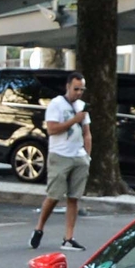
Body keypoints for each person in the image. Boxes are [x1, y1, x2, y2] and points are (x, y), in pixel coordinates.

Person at [28, 70, 90, 253]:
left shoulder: (82, 106)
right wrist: (73, 120)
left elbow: (87, 132)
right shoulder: (56, 104)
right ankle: (39, 228)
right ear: (68, 87)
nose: (79, 93)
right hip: (60, 155)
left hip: (78, 156)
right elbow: (52, 130)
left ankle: (68, 237)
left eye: (82, 89)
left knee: (74, 197)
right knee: (54, 195)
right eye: (76, 89)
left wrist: (87, 155)